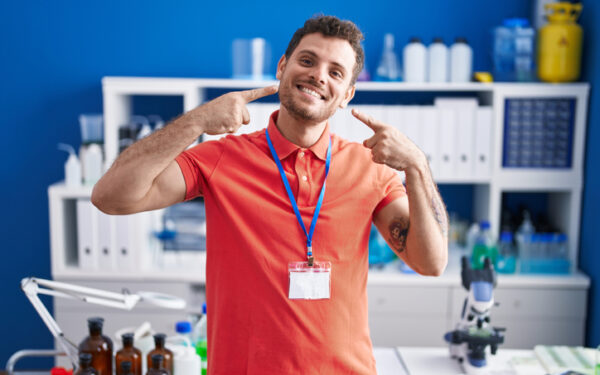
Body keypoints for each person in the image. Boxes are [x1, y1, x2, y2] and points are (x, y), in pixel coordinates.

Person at [93, 15, 448, 375]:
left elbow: (430, 262)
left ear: (347, 95)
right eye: (307, 61)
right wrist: (196, 122)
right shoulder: (221, 158)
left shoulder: (370, 167)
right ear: (283, 66)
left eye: (336, 72)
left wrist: (417, 166)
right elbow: (110, 197)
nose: (318, 76)